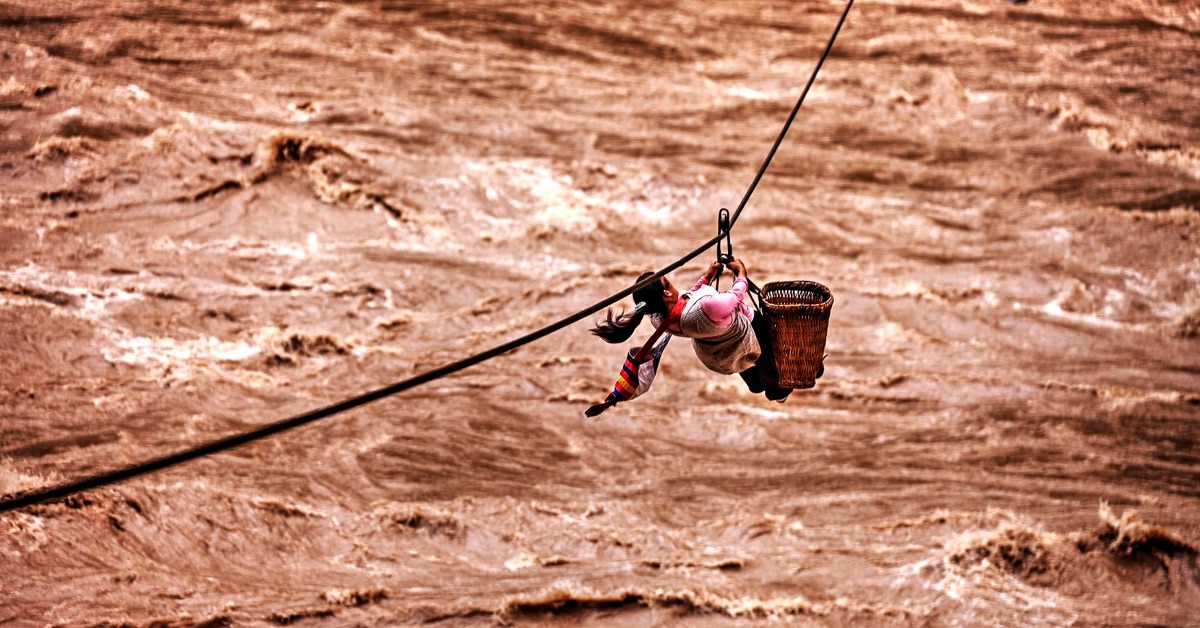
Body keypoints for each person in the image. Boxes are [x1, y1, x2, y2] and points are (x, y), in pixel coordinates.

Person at [592, 258, 792, 402]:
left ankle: (757, 385)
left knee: (752, 374)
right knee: (775, 357)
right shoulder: (707, 309)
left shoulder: (659, 319)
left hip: (721, 352)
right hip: (746, 334)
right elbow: (734, 297)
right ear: (667, 291)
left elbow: (685, 299)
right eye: (667, 282)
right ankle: (779, 392)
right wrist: (741, 273)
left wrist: (707, 278)